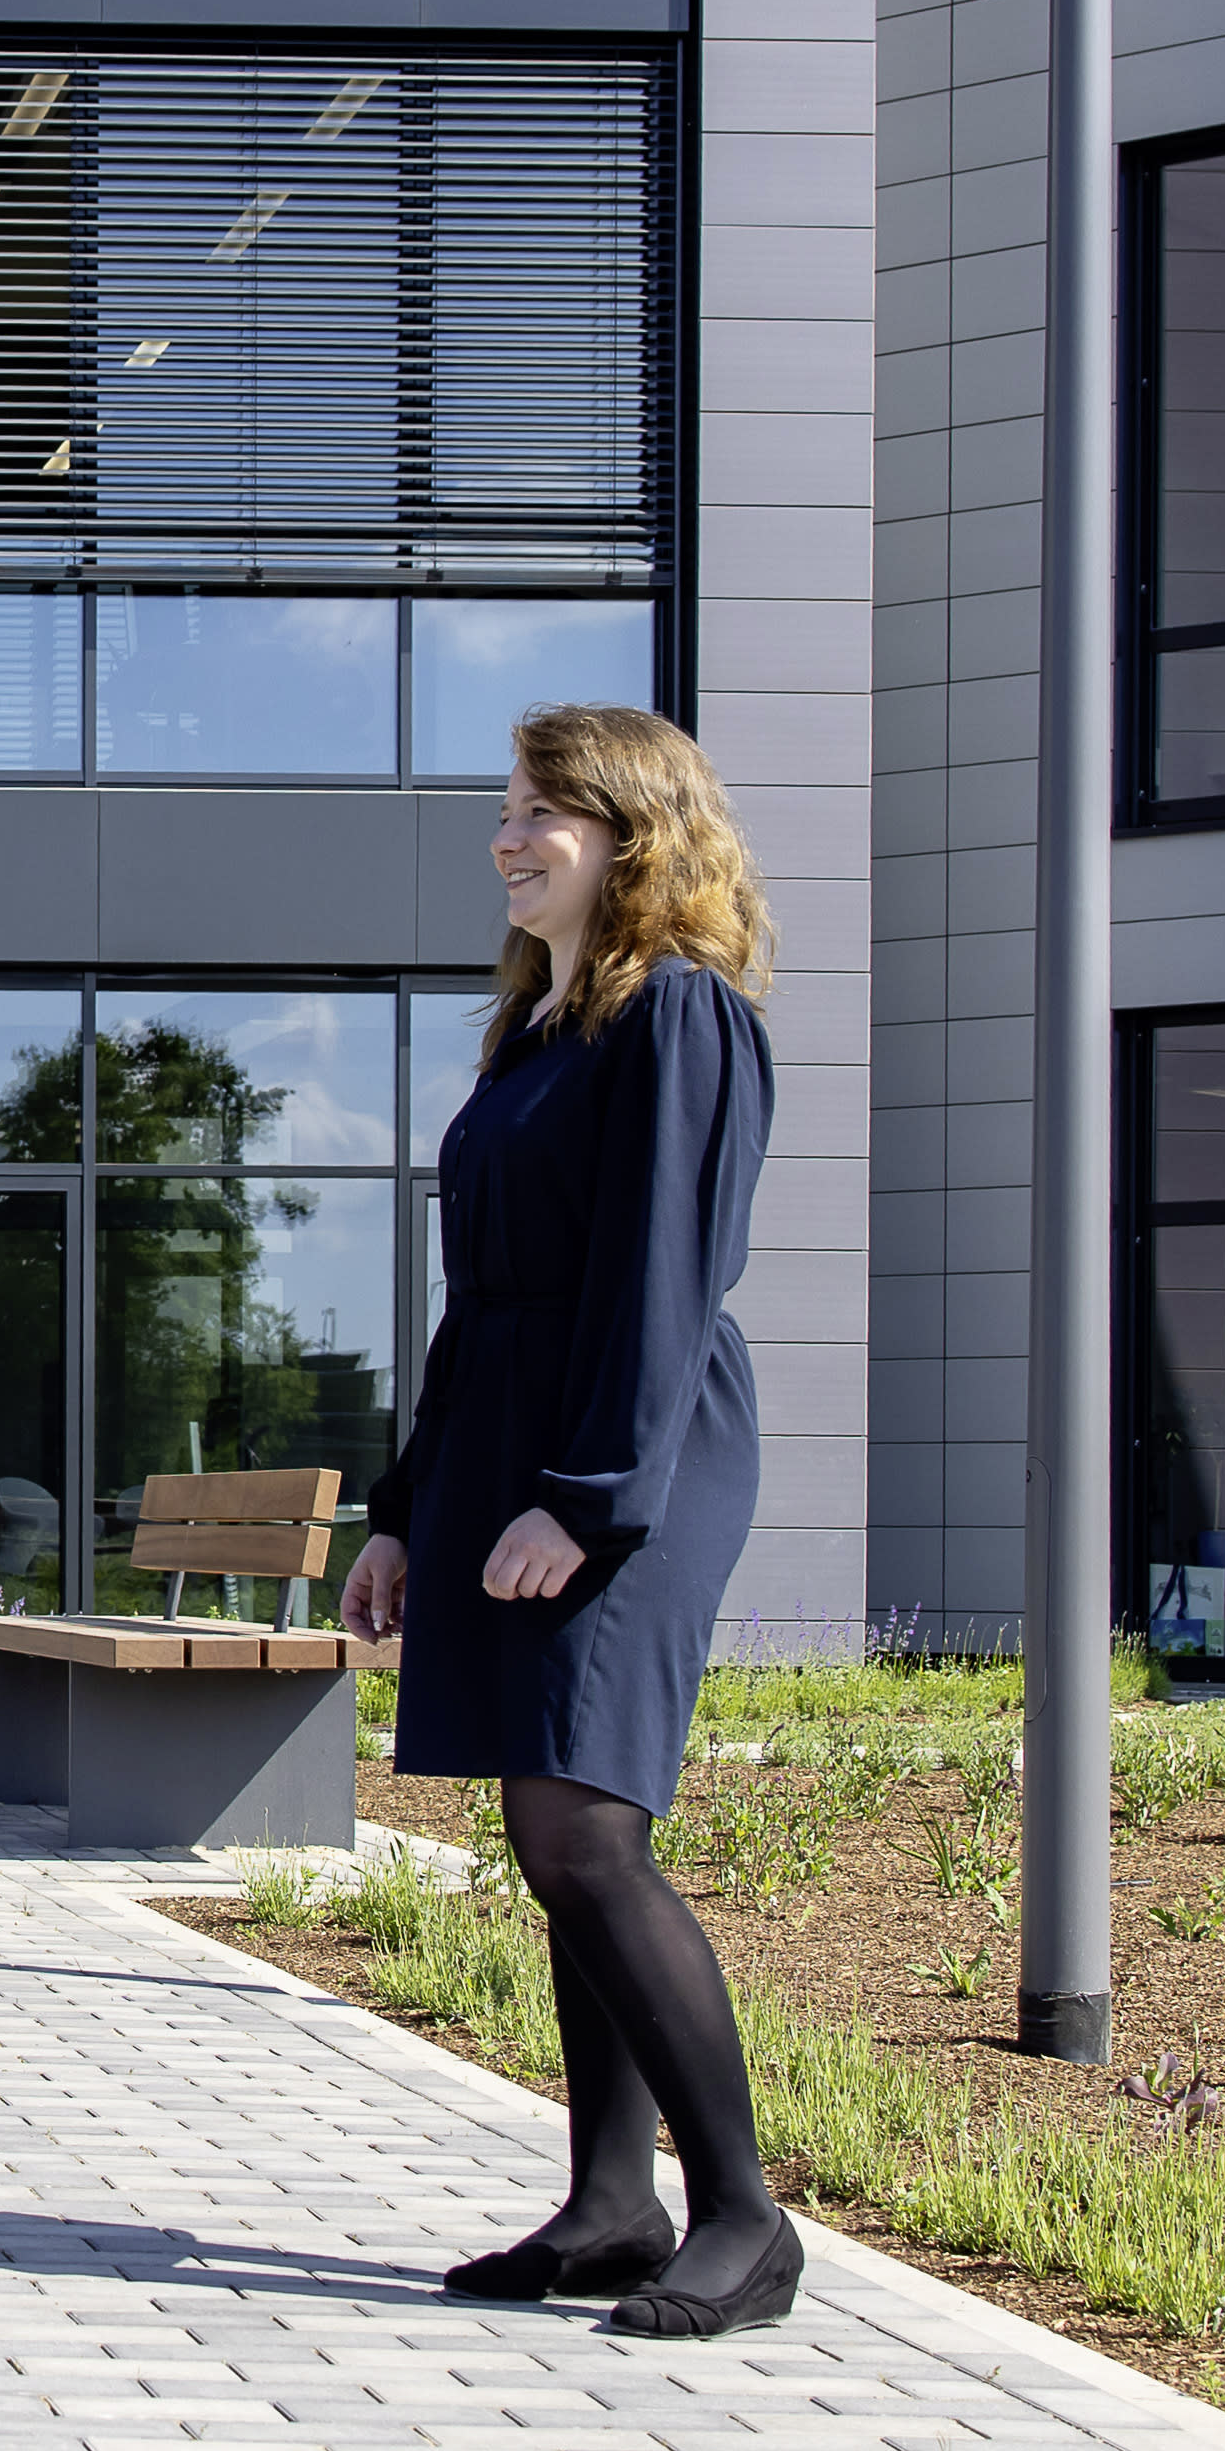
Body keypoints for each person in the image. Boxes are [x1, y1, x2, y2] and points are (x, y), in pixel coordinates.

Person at [344, 703, 795, 2339]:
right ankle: (612, 2203)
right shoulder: (538, 1029)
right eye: (509, 808)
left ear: (635, 831)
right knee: (560, 1840)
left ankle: (744, 2216)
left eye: (544, 810)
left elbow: (664, 1275)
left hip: (627, 1449)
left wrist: (589, 1501)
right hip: (512, 1445)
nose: (508, 836)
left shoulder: (682, 1012)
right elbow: (478, 1301)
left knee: (585, 1829)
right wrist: (406, 1507)